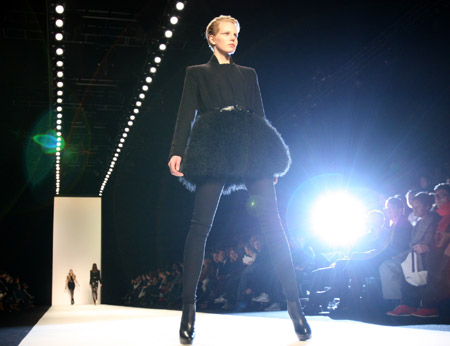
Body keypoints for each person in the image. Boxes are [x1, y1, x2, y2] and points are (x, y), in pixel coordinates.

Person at [168, 15, 311, 345]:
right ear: (212, 38)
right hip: (213, 143)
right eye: (227, 34)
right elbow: (185, 112)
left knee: (273, 224)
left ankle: (295, 308)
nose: (233, 38)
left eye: (236, 34)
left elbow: (260, 116)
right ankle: (188, 311)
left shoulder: (248, 74)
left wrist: (270, 158)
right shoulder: (196, 73)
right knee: (200, 225)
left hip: (249, 143)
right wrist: (177, 150)